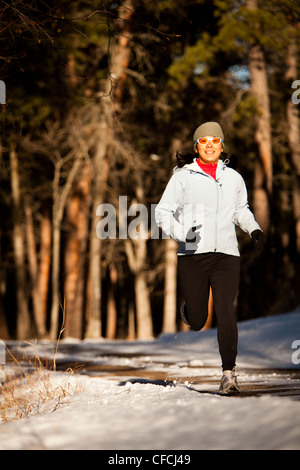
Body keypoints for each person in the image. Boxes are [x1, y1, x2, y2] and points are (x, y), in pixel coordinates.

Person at [155, 121, 264, 393]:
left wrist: (254, 228)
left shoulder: (234, 178)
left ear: (222, 146)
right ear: (196, 147)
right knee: (198, 319)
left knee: (226, 310)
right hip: (193, 254)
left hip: (227, 254)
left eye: (215, 141)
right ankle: (189, 312)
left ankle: (229, 373)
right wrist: (182, 233)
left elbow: (241, 210)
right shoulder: (183, 176)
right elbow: (162, 213)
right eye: (204, 141)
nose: (210, 145)